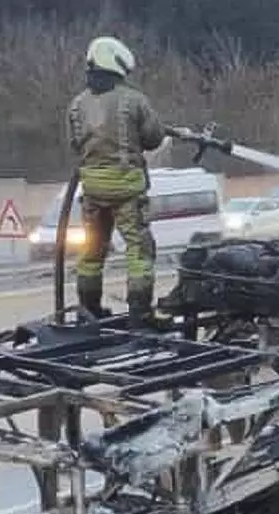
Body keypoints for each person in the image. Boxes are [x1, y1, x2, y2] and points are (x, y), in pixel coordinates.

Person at [66, 36, 167, 326]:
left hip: (92, 190)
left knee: (92, 250)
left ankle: (88, 311)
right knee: (139, 250)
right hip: (127, 190)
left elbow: (75, 144)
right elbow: (153, 138)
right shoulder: (133, 99)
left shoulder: (76, 105)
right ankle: (140, 312)